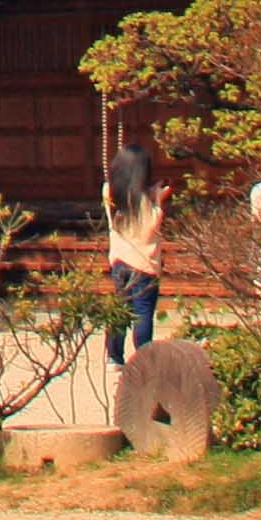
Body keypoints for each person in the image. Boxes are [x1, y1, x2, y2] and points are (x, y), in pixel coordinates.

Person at [102, 144, 162, 367]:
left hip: (119, 261)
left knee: (121, 309)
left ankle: (114, 356)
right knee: (143, 312)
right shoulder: (147, 203)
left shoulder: (110, 193)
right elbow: (151, 229)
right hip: (144, 264)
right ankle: (143, 358)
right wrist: (157, 200)